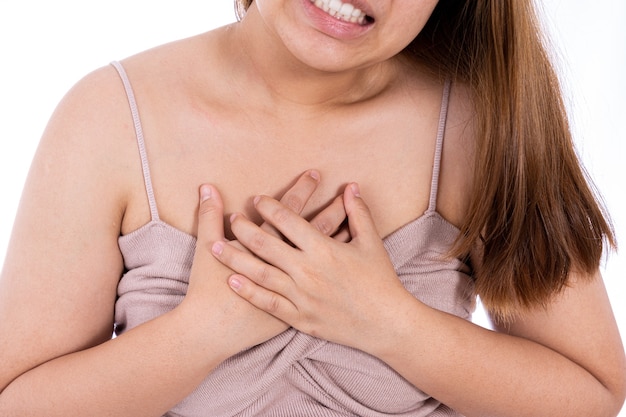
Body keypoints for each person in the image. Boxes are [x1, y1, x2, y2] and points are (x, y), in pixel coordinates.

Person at [0, 0, 624, 415]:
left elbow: (593, 392)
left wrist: (388, 323)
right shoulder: (107, 118)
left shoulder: (477, 129)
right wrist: (201, 333)